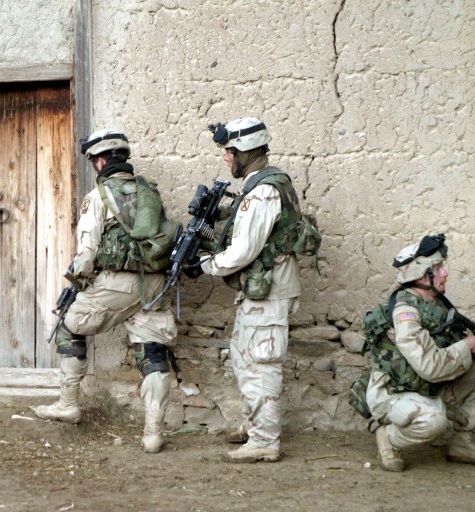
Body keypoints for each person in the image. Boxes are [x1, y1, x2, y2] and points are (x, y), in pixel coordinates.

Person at [33, 129, 178, 453]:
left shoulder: (98, 196)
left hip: (118, 283)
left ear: (100, 160)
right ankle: (153, 434)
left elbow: (87, 253)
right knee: (152, 351)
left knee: (69, 324)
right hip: (154, 284)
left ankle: (68, 403)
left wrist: (77, 284)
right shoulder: (148, 193)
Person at [186, 117, 303, 463]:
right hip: (258, 290)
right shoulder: (257, 187)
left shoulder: (264, 191)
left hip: (269, 291)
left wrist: (205, 266)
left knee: (262, 363)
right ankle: (254, 426)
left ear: (247, 152)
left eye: (230, 151)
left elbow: (242, 252)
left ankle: (265, 440)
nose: (225, 157)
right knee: (243, 356)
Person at [364, 233, 475, 471]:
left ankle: (463, 444)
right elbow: (430, 367)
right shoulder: (405, 312)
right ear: (422, 275)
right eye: (439, 268)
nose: (445, 273)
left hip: (425, 387)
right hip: (395, 392)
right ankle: (388, 437)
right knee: (434, 423)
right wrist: (467, 346)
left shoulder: (436, 303)